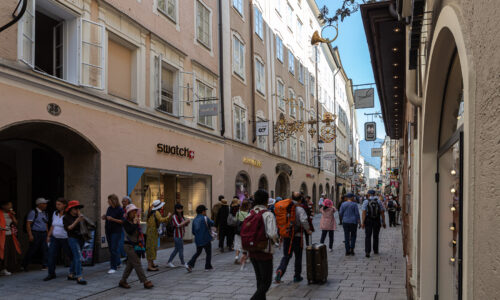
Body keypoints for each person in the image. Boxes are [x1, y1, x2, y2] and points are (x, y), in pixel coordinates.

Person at [247, 190, 278, 300]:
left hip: (252, 250)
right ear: (266, 200)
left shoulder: (251, 212)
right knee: (266, 282)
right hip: (264, 250)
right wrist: (276, 241)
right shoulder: (268, 214)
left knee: (259, 281)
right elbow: (272, 233)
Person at [275, 192, 312, 283]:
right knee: (298, 257)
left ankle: (280, 270)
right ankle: (297, 276)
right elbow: (303, 220)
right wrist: (308, 230)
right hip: (297, 237)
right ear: (300, 200)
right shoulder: (300, 209)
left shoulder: (286, 208)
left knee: (286, 256)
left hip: (287, 236)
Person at [119, 204, 153, 289]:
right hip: (128, 245)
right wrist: (135, 223)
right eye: (133, 211)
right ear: (129, 213)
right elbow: (130, 231)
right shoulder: (125, 222)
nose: (134, 213)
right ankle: (145, 281)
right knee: (137, 263)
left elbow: (138, 233)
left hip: (136, 245)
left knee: (130, 265)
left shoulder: (135, 221)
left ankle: (123, 281)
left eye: (135, 211)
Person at [45, 198, 72, 281]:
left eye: (59, 204)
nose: (57, 206)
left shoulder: (68, 214)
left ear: (64, 205)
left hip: (65, 238)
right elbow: (52, 225)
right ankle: (51, 273)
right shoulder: (55, 213)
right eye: (56, 204)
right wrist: (48, 236)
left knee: (70, 254)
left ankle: (75, 269)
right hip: (55, 238)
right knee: (51, 255)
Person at [22, 197, 50, 271]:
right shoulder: (33, 212)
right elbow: (28, 224)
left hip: (43, 233)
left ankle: (45, 265)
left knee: (45, 249)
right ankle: (24, 265)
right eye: (44, 203)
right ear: (39, 204)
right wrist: (30, 235)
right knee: (33, 249)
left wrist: (48, 234)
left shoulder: (45, 213)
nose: (46, 205)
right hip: (35, 232)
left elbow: (46, 224)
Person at [63, 200, 87, 285]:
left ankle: (71, 274)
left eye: (78, 208)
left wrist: (81, 219)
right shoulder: (66, 217)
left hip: (81, 238)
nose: (77, 210)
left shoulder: (80, 216)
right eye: (75, 208)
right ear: (70, 209)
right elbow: (69, 228)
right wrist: (77, 220)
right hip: (72, 238)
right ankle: (79, 276)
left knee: (75, 257)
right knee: (78, 256)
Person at [186, 205, 215, 272]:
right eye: (205, 211)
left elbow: (193, 231)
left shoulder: (195, 219)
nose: (205, 212)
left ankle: (190, 264)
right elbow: (212, 223)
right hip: (206, 239)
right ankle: (208, 266)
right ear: (203, 211)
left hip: (198, 240)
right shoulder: (205, 218)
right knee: (208, 253)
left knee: (198, 252)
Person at [146, 200, 171, 271]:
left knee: (151, 248)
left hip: (150, 232)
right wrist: (168, 216)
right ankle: (149, 266)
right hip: (153, 233)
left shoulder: (150, 212)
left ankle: (152, 263)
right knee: (152, 248)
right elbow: (161, 219)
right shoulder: (156, 212)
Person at [102, 194, 124, 274]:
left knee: (113, 248)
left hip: (116, 231)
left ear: (113, 200)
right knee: (111, 248)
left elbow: (122, 221)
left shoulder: (120, 209)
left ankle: (113, 267)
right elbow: (108, 217)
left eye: (109, 200)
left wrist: (112, 219)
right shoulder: (109, 208)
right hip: (108, 230)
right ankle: (117, 262)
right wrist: (105, 217)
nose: (107, 201)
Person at [362, 190, 386, 258]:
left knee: (368, 236)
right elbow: (382, 212)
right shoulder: (379, 201)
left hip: (368, 220)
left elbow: (364, 212)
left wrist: (363, 222)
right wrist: (383, 222)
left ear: (368, 194)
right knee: (376, 236)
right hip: (377, 220)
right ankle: (375, 250)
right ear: (374, 194)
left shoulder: (366, 201)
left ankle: (367, 251)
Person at [0, 201, 21, 275]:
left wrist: (13, 215)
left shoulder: (10, 213)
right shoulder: (0, 213)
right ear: (3, 206)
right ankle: (3, 268)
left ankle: (9, 267)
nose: (10, 207)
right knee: (3, 251)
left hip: (10, 234)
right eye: (9, 205)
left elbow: (16, 223)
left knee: (10, 251)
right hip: (2, 235)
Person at [167, 204, 190, 268]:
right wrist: (186, 221)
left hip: (180, 235)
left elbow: (184, 225)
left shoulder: (181, 216)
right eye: (180, 209)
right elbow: (178, 225)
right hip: (177, 236)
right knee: (180, 249)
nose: (181, 210)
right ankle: (182, 262)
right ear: (176, 209)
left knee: (177, 249)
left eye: (181, 209)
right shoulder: (174, 216)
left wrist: (187, 222)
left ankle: (169, 261)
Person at [234, 200, 250, 269]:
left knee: (238, 244)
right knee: (246, 245)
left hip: (238, 231)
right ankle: (246, 258)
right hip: (246, 231)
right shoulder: (249, 213)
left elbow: (235, 221)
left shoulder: (238, 213)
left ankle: (236, 257)